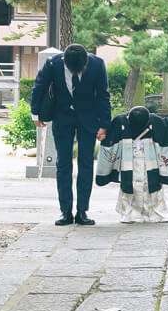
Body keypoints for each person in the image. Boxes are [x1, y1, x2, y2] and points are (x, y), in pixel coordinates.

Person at [31, 43, 111, 226]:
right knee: (63, 164)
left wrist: (104, 125)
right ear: (64, 62)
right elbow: (39, 87)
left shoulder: (97, 65)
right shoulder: (53, 64)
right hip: (62, 117)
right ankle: (65, 211)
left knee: (86, 164)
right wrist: (35, 113)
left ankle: (82, 211)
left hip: (88, 118)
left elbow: (103, 95)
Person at [96, 105, 168, 223]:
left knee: (151, 184)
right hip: (130, 160)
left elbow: (167, 126)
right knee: (129, 185)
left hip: (147, 159)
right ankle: (130, 213)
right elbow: (166, 126)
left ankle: (153, 213)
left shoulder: (153, 121)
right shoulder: (122, 122)